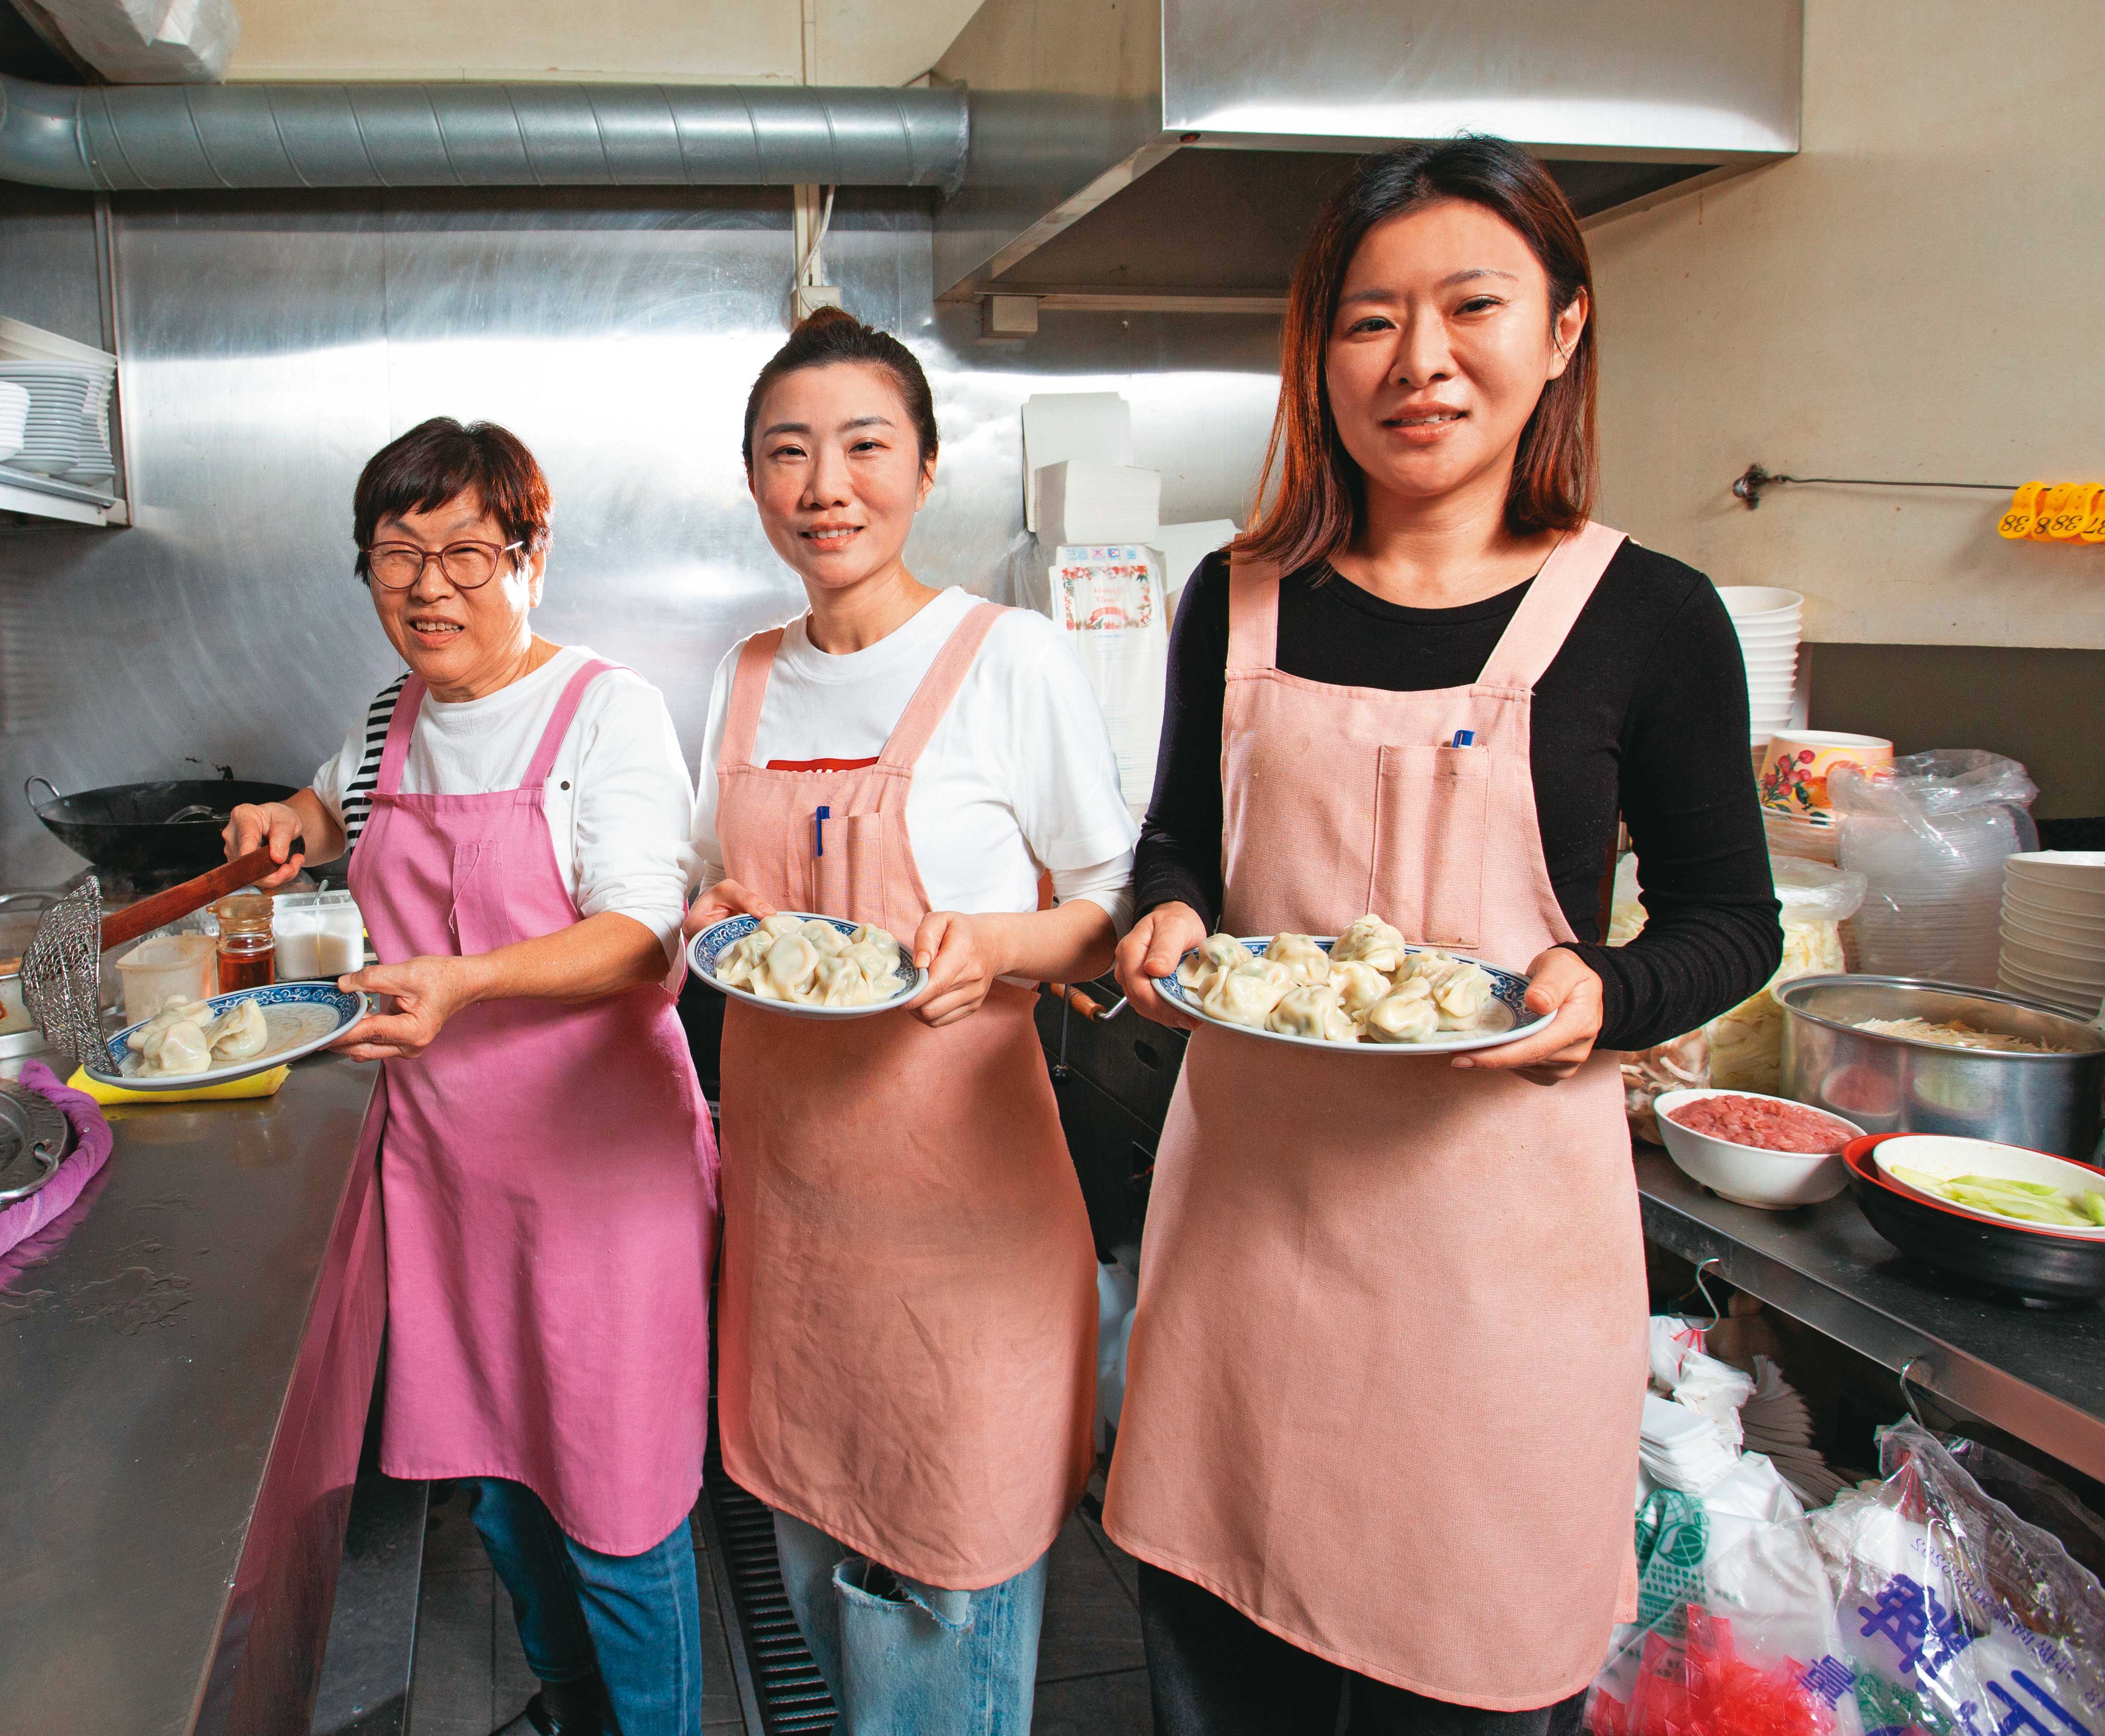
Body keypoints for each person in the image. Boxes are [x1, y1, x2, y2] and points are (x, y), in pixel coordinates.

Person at [1106, 136, 1782, 1731]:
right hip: (1247, 1264)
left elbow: (1726, 921)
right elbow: (1177, 844)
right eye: (1368, 320)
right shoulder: (1240, 594)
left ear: (1561, 330)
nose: (1418, 362)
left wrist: (1599, 991)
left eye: (1470, 306)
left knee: (1465, 1685)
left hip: (1494, 1286)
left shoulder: (1650, 615)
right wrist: (1168, 918)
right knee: (1226, 1671)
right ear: (1317, 355)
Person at [224, 418, 715, 1736]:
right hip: (444, 1174)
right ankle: (569, 1710)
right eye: (396, 556)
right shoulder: (391, 717)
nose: (429, 587)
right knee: (498, 1489)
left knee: (614, 1506)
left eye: (465, 553)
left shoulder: (603, 710)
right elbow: (343, 806)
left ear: (529, 556)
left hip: (596, 1182)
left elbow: (638, 932)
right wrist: (294, 818)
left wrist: (464, 979)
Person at [685, 307, 1136, 1734]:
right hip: (798, 1237)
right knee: (826, 1587)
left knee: (947, 1619)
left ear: (928, 469)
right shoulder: (747, 676)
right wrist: (703, 923)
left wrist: (992, 945)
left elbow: (1111, 909)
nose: (828, 483)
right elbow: (716, 886)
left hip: (965, 1238)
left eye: (865, 445)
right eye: (789, 451)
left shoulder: (1013, 660)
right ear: (755, 482)